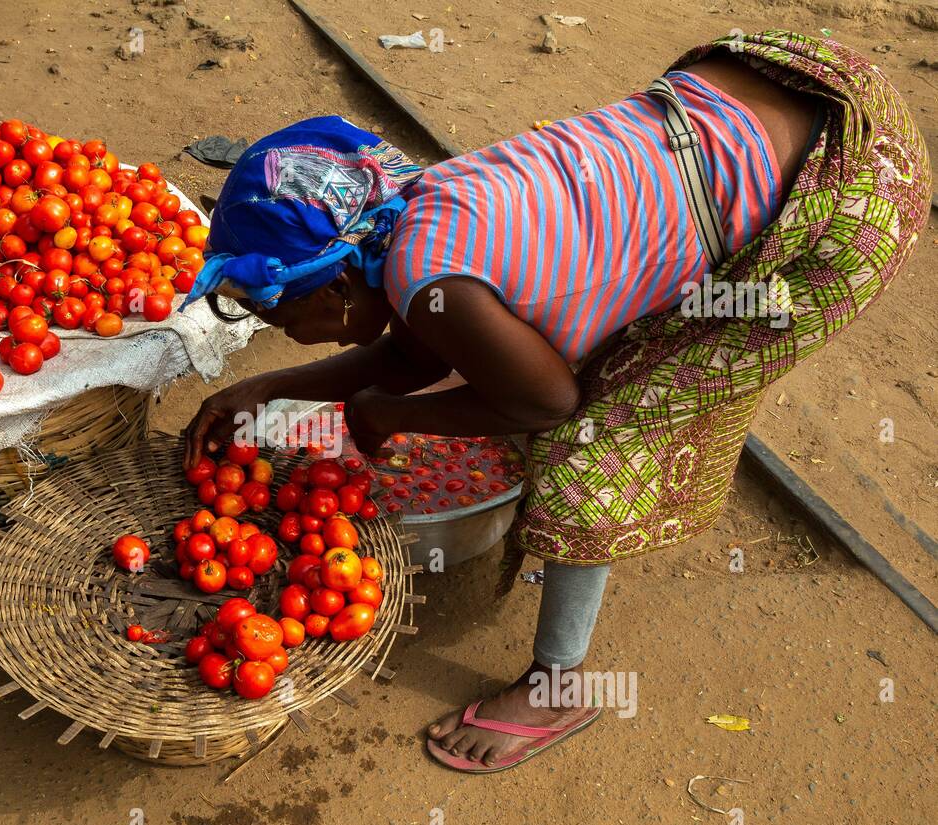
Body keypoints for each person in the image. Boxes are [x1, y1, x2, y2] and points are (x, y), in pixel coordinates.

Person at [180, 31, 931, 773]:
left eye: (282, 320)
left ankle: (558, 687)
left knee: (602, 431)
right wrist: (269, 387)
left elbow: (546, 405)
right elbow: (410, 354)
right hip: (795, 83)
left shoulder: (431, 285)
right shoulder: (417, 213)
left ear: (339, 288)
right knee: (594, 337)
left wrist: (390, 416)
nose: (288, 337)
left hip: (849, 202)